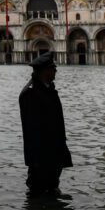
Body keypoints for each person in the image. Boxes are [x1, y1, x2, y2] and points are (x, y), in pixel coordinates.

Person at [19, 52, 72, 194]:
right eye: (53, 68)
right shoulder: (30, 93)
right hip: (41, 155)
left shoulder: (48, 88)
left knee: (52, 188)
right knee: (38, 190)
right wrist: (36, 159)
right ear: (44, 71)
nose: (56, 71)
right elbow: (32, 129)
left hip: (54, 150)